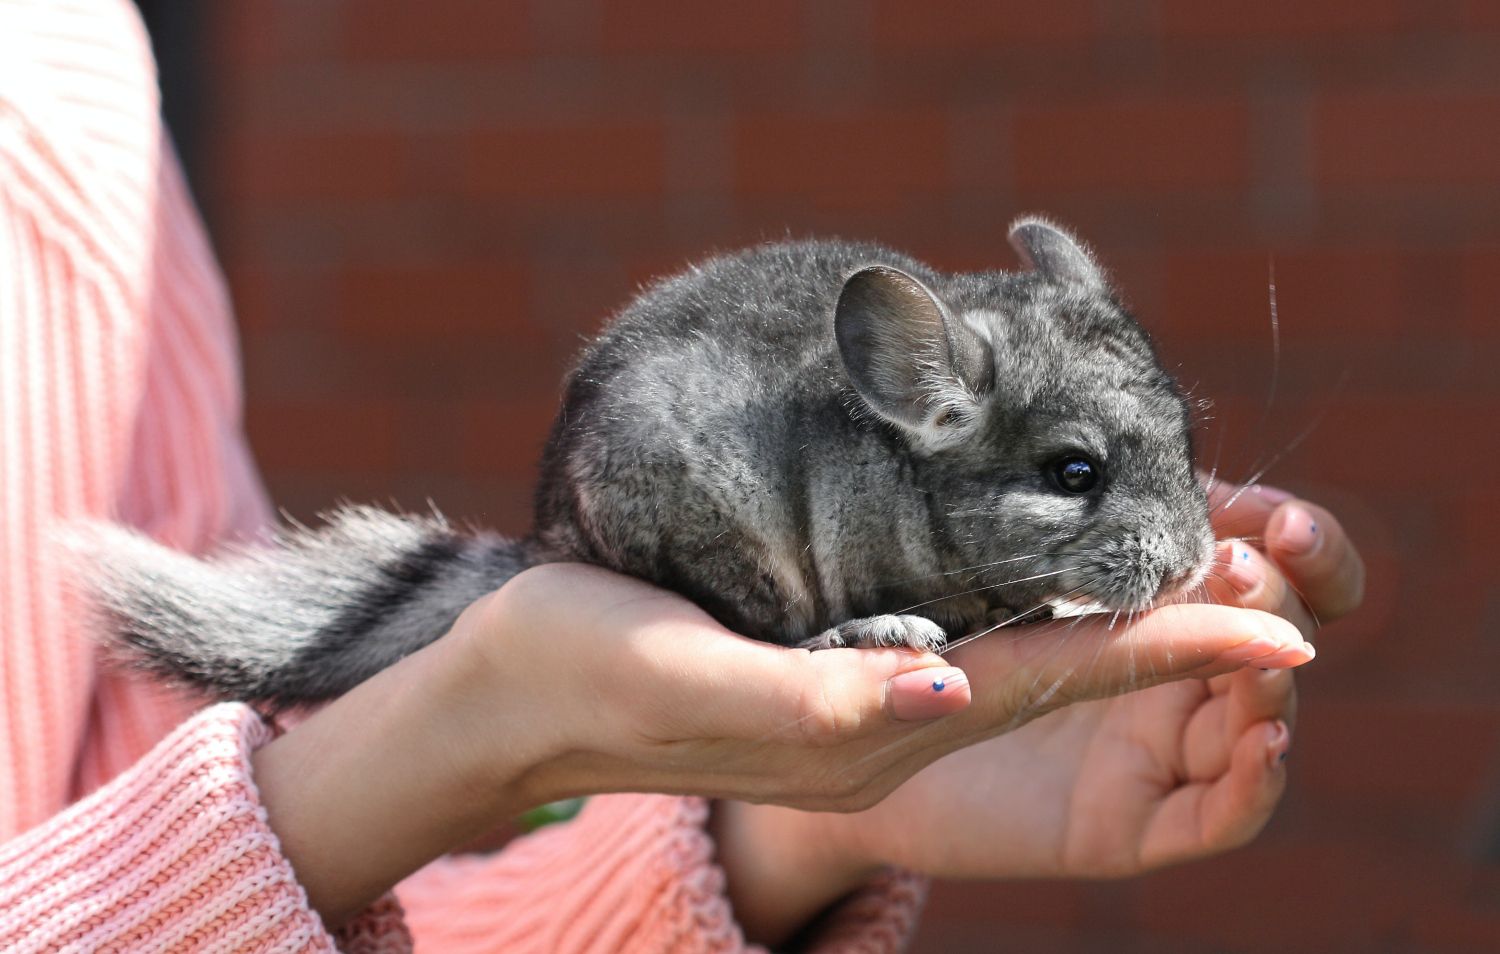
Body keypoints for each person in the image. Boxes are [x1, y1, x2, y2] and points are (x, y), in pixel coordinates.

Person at [0, 2, 1364, 950]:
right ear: (927, 402)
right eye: (1079, 477)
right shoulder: (62, 126)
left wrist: (798, 821)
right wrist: (452, 733)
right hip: (682, 480)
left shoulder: (80, 100)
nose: (1159, 530)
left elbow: (336, 903)